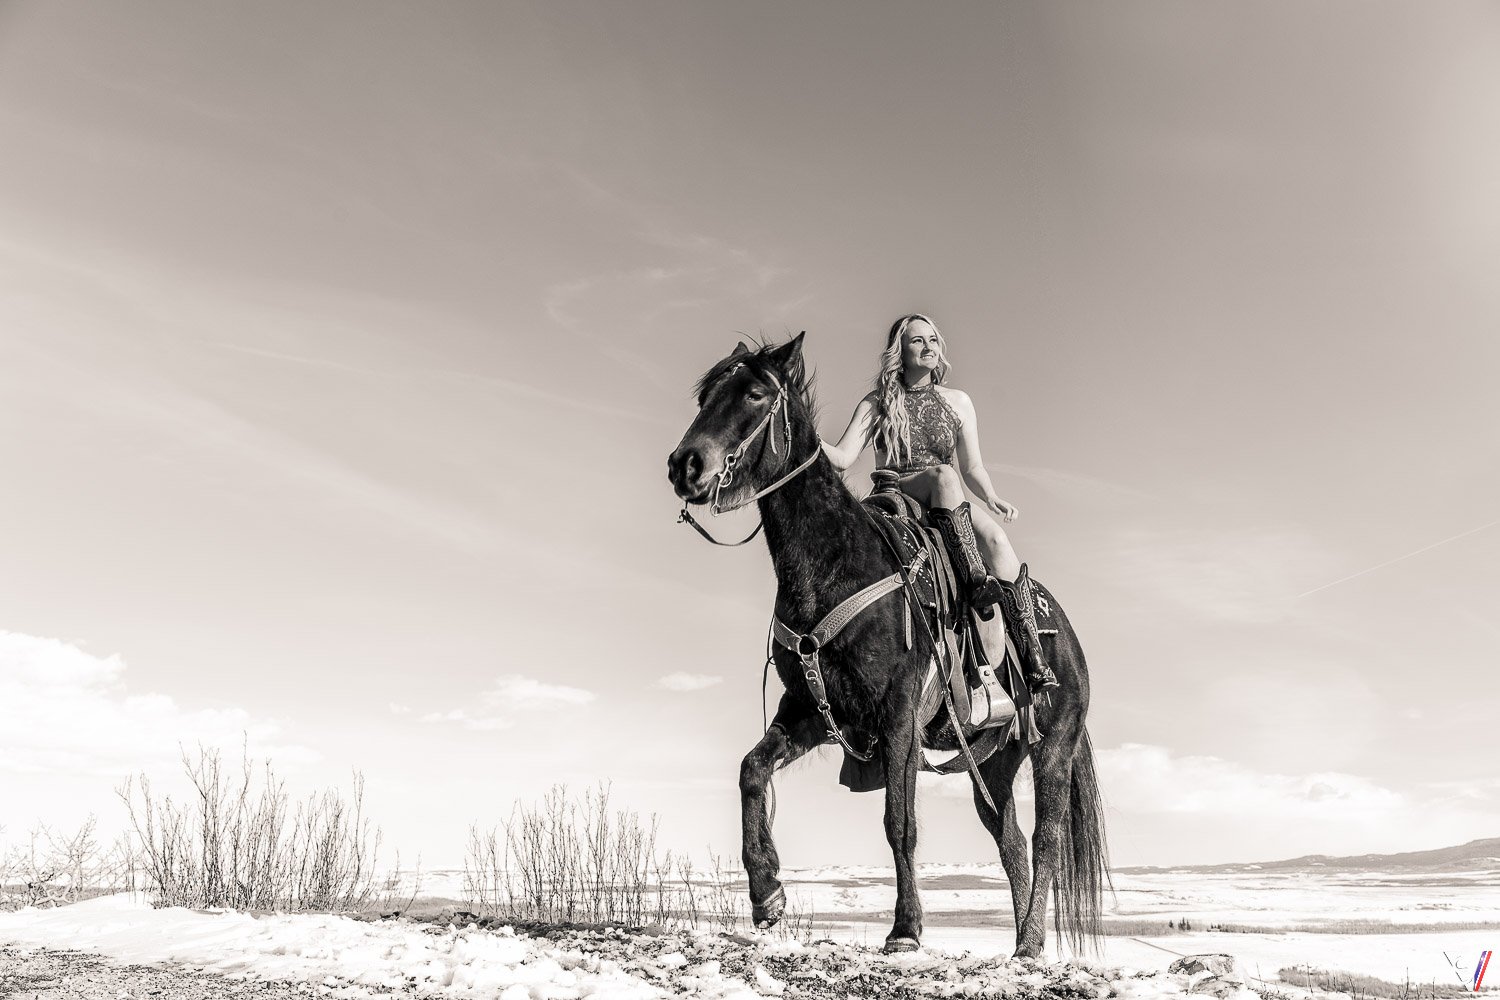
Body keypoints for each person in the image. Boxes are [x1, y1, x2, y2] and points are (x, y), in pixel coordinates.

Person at [821, 314, 1058, 692]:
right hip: (896, 492)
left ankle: (1031, 653)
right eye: (917, 341)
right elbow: (844, 456)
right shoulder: (878, 402)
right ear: (900, 350)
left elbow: (973, 466)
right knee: (943, 476)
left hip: (949, 501)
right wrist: (803, 436)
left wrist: (992, 496)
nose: (928, 347)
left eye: (932, 339)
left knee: (997, 541)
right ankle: (975, 580)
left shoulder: (958, 401)